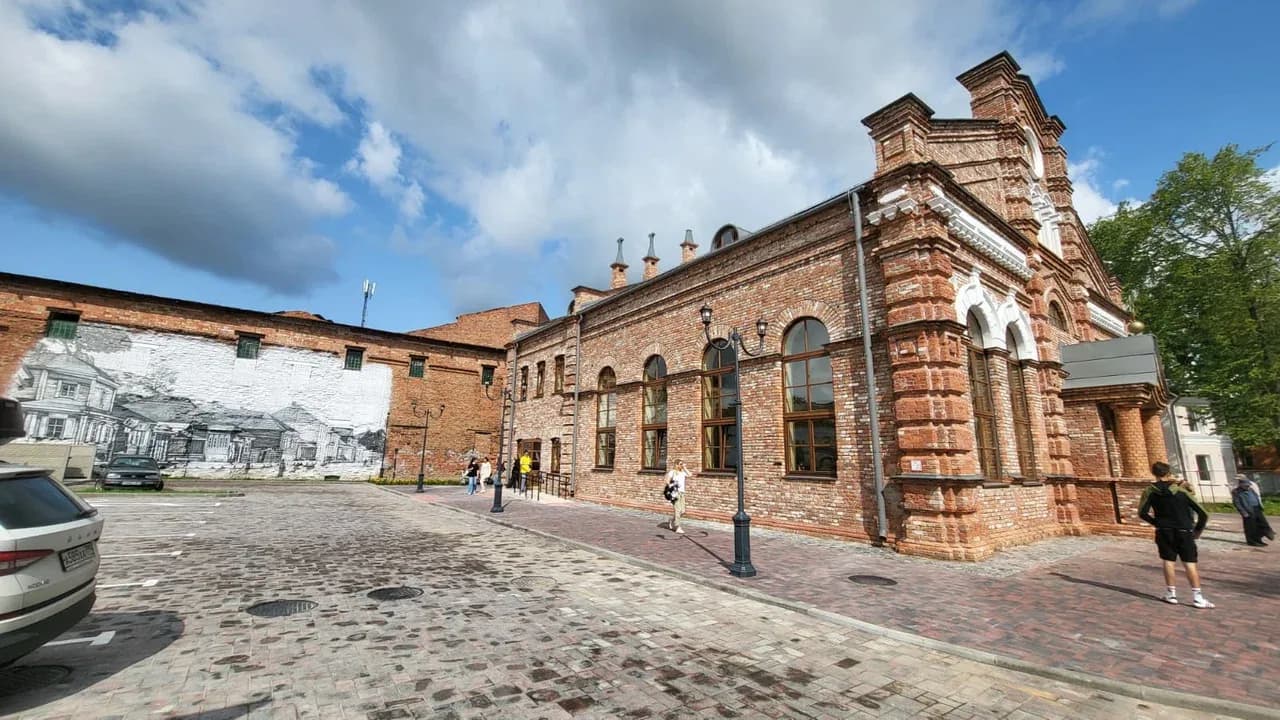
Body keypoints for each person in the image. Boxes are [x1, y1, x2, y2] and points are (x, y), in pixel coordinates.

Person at [1138, 461, 1213, 608]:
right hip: (1184, 530)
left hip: (1164, 531)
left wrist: (1157, 523)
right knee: (1189, 563)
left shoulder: (1150, 491)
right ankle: (1198, 597)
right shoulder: (1181, 491)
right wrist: (1198, 530)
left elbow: (1142, 513)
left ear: (1153, 473)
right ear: (1168, 472)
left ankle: (1171, 594)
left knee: (1168, 561)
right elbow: (1203, 513)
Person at [1232, 474, 1270, 546]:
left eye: (1248, 485)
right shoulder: (1236, 491)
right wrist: (1243, 512)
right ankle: (1252, 541)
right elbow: (1237, 503)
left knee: (1261, 524)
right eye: (1246, 485)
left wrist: (1260, 505)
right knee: (1251, 527)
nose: (1248, 487)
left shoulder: (1251, 488)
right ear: (1241, 484)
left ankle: (1259, 538)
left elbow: (1256, 496)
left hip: (1256, 508)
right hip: (1247, 511)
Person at [665, 460, 689, 534]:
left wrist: (685, 468)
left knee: (683, 511)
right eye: (680, 464)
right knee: (678, 510)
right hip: (676, 493)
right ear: (676, 465)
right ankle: (677, 527)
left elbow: (690, 474)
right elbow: (667, 480)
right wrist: (672, 487)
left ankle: (671, 520)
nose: (682, 465)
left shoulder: (682, 472)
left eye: (682, 464)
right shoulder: (672, 472)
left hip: (682, 493)